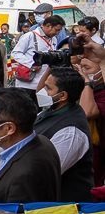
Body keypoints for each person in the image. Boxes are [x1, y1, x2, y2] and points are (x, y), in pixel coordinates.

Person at [34, 67, 93, 202]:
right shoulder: (49, 111)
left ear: (62, 96)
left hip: (63, 206)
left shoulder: (71, 131)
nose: (43, 91)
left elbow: (48, 171)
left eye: (48, 88)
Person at [10, 13, 64, 92]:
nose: (57, 33)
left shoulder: (54, 39)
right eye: (56, 30)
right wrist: (32, 64)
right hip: (26, 84)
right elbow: (15, 53)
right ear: (48, 26)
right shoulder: (30, 36)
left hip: (44, 84)